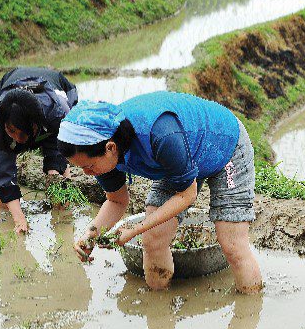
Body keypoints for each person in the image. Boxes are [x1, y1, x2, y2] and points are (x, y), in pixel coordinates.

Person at [57, 91, 262, 294]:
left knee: (233, 245)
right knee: (153, 240)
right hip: (177, 160)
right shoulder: (101, 153)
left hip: (222, 145)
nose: (87, 173)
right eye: (81, 168)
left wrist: (135, 229)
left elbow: (186, 195)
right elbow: (116, 202)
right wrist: (90, 235)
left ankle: (249, 307)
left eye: (89, 167)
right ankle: (159, 309)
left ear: (110, 148)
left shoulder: (160, 135)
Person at [0, 67, 79, 234]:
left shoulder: (59, 113)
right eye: (12, 131)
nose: (19, 139)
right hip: (11, 82)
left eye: (24, 133)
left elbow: (60, 151)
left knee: (58, 178)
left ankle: (64, 223)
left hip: (56, 99)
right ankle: (6, 225)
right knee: (2, 191)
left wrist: (55, 170)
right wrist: (19, 219)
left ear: (36, 124)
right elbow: (1, 172)